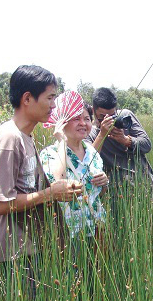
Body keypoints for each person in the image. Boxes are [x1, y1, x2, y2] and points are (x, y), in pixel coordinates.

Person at [0, 65, 81, 285]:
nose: (54, 105)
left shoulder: (25, 138)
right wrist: (50, 194)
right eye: (50, 98)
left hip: (28, 248)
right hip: (12, 255)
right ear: (27, 99)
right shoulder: (9, 139)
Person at [39, 92, 109, 247]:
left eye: (86, 119)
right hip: (67, 232)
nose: (83, 123)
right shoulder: (50, 153)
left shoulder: (93, 153)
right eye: (76, 119)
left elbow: (99, 193)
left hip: (96, 227)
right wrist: (62, 140)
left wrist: (104, 182)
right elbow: (59, 181)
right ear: (62, 122)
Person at [86, 88, 153, 220]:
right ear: (93, 111)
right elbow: (88, 161)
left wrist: (126, 140)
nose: (108, 120)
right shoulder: (90, 132)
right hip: (117, 192)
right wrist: (102, 134)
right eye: (102, 117)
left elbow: (147, 145)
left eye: (112, 115)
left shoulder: (125, 116)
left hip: (143, 183)